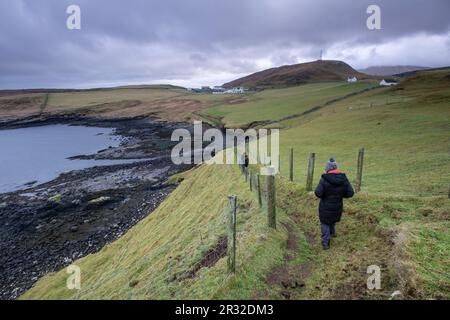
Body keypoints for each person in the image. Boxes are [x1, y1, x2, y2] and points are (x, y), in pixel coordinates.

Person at [314, 158, 354, 250]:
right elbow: (350, 193)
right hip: (338, 205)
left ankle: (325, 243)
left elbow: (318, 193)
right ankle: (332, 233)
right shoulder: (344, 179)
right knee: (332, 219)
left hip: (325, 206)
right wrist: (340, 194)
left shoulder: (324, 179)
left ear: (327, 168)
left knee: (325, 222)